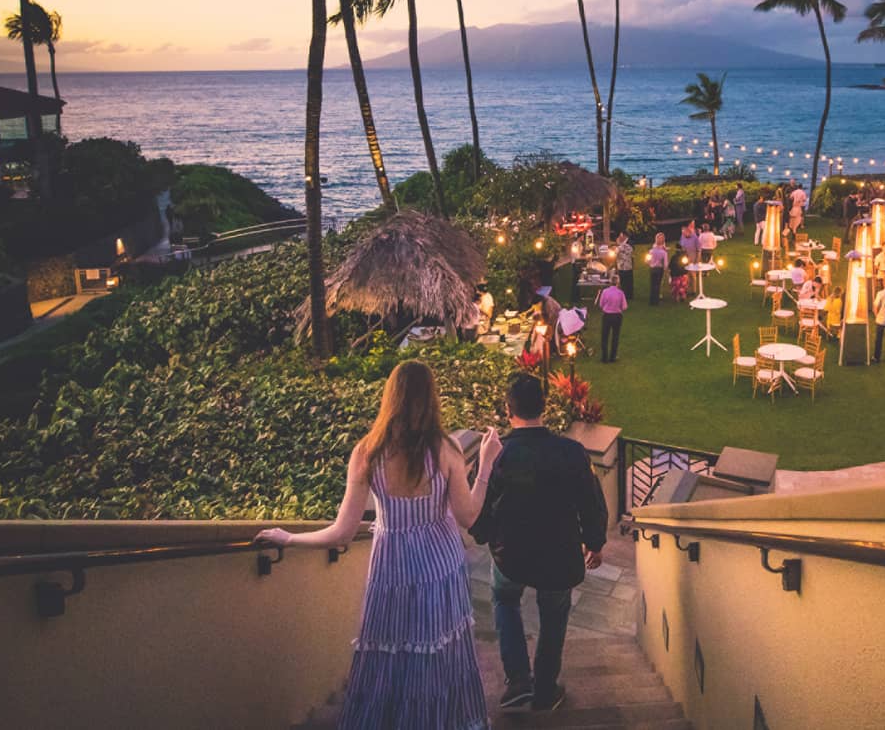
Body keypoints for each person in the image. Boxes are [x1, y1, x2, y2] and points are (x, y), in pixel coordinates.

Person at [255, 361, 498, 727]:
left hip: (392, 568)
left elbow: (341, 532)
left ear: (390, 398)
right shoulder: (445, 449)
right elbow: (468, 516)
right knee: (437, 654)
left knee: (390, 651)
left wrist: (288, 538)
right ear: (430, 400)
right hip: (440, 566)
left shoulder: (366, 453)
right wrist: (487, 466)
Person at [470, 373, 608, 714]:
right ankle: (544, 688)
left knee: (504, 600)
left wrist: (484, 535)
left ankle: (518, 679)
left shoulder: (498, 456)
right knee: (554, 615)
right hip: (559, 557)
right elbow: (592, 502)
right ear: (544, 406)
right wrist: (595, 543)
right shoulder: (572, 452)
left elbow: (481, 507)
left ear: (507, 410)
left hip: (510, 555)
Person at [596, 274, 626, 362]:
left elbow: (601, 304)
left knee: (605, 336)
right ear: (618, 283)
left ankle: (604, 357)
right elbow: (624, 306)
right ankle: (613, 357)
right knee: (615, 336)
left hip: (607, 315)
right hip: (617, 316)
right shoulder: (620, 293)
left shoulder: (605, 292)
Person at [647, 233, 668, 306]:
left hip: (652, 268)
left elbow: (647, 260)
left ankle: (652, 300)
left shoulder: (651, 251)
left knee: (652, 284)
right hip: (659, 269)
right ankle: (656, 301)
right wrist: (665, 269)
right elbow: (665, 264)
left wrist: (650, 264)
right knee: (657, 285)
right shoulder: (663, 252)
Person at [614, 233, 634, 300]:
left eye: (621, 236)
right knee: (627, 281)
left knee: (624, 281)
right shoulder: (625, 245)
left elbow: (616, 252)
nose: (619, 237)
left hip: (624, 266)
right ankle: (628, 295)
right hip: (625, 266)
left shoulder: (625, 245)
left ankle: (626, 295)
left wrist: (618, 245)